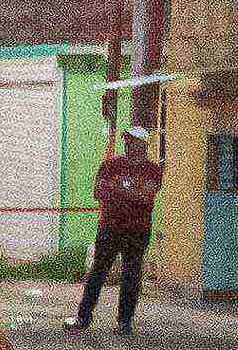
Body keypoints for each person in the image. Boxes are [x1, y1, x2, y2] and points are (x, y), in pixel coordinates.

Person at [70, 128, 167, 335]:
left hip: (137, 230)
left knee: (131, 274)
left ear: (142, 145)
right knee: (97, 272)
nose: (128, 144)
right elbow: (98, 192)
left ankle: (125, 321)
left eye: (132, 140)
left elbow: (146, 198)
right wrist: (131, 192)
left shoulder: (152, 170)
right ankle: (83, 317)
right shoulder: (110, 165)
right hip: (110, 227)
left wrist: (116, 190)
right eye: (127, 140)